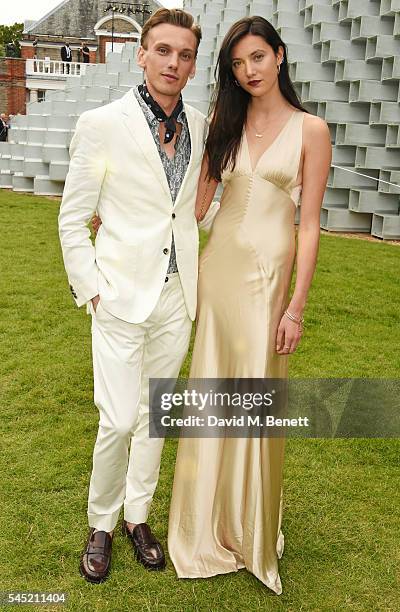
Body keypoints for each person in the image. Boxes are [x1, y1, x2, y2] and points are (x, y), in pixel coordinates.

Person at [167, 16, 331, 594]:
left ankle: (251, 530)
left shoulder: (312, 130)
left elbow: (308, 227)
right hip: (220, 273)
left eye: (257, 57)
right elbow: (195, 202)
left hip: (269, 281)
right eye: (237, 64)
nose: (248, 71)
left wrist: (296, 306)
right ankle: (203, 527)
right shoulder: (225, 121)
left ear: (280, 56)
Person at [58, 8, 208, 584]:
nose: (174, 63)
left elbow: (194, 206)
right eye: (164, 51)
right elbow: (73, 219)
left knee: (155, 418)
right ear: (142, 55)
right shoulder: (103, 124)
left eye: (185, 54)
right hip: (118, 296)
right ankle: (100, 522)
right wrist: (92, 288)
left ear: (193, 65)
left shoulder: (199, 121)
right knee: (118, 419)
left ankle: (137, 517)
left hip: (177, 296)